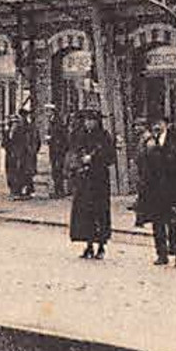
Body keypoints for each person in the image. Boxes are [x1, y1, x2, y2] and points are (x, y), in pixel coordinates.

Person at [137, 117, 176, 266]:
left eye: (160, 123)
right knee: (157, 223)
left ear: (167, 125)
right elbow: (144, 165)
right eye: (155, 124)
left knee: (174, 223)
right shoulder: (149, 142)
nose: (157, 126)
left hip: (172, 189)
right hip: (154, 190)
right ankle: (161, 254)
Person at [67, 107, 115, 259]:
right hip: (84, 180)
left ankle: (101, 245)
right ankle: (88, 244)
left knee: (99, 212)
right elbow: (74, 150)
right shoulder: (81, 136)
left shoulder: (104, 136)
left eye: (92, 121)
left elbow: (111, 157)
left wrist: (94, 158)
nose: (89, 123)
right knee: (84, 212)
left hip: (99, 180)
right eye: (87, 120)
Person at [3, 105, 40, 200]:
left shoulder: (25, 128)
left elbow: (30, 142)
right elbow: (5, 143)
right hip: (12, 154)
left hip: (21, 154)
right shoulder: (9, 131)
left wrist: (31, 151)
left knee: (21, 173)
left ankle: (19, 191)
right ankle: (16, 191)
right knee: (13, 173)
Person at [46, 105, 70, 199]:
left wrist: (52, 138)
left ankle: (59, 191)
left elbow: (61, 135)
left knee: (58, 170)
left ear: (52, 111)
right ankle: (57, 190)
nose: (46, 113)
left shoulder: (57, 122)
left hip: (58, 149)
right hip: (53, 149)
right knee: (55, 170)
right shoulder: (51, 121)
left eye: (48, 111)